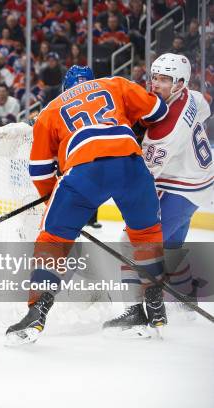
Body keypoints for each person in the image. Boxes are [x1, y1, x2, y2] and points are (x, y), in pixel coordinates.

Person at [5, 65, 169, 345]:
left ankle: (36, 312)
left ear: (64, 89)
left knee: (53, 239)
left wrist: (57, 205)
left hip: (84, 171)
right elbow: (158, 112)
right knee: (146, 232)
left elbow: (40, 171)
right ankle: (155, 302)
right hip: (131, 163)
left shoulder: (50, 110)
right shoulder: (114, 84)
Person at [104, 54, 213, 333]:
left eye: (164, 80)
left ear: (178, 83)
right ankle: (186, 295)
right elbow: (205, 109)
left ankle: (136, 313)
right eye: (155, 77)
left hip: (181, 186)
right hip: (199, 182)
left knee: (132, 241)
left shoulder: (164, 133)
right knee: (172, 243)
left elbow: (143, 176)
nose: (156, 85)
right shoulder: (193, 96)